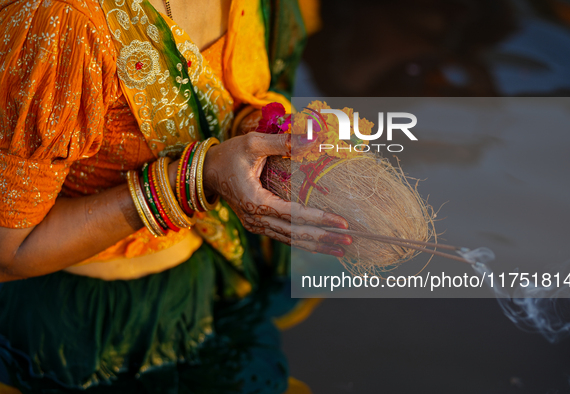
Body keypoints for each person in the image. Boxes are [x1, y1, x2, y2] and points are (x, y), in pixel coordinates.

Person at [0, 0, 348, 392]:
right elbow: (10, 250)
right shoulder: (63, 21)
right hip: (87, 325)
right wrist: (197, 179)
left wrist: (266, 129)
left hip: (208, 279)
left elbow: (255, 85)